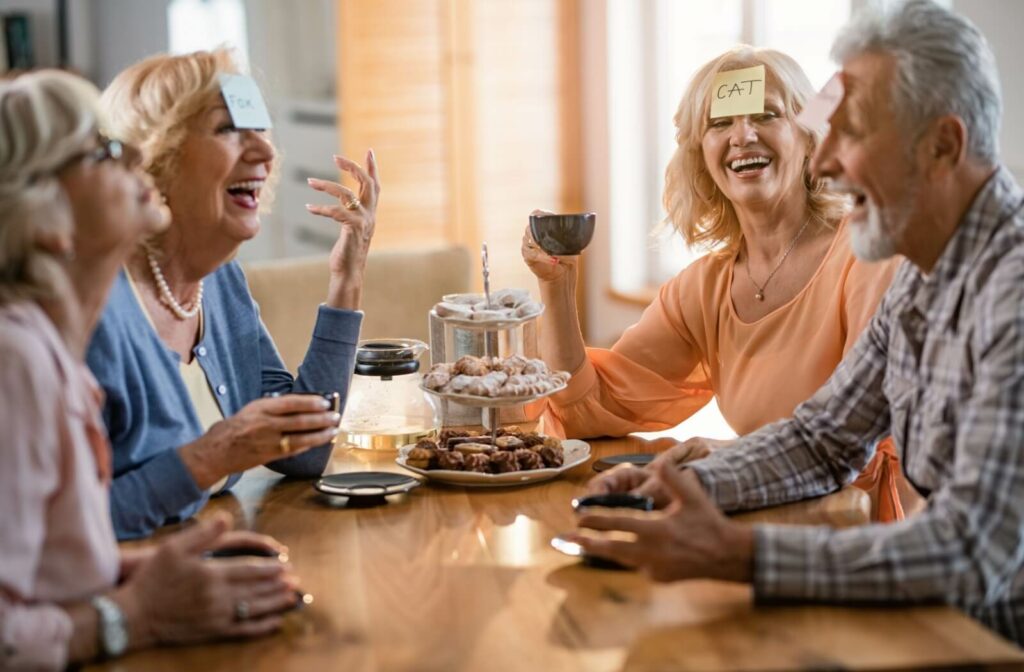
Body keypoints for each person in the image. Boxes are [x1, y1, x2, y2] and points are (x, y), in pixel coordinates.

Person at [574, 0, 1024, 642]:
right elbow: (824, 441)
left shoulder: (1012, 292)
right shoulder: (925, 274)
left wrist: (738, 555)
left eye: (852, 133)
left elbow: (970, 551)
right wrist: (675, 485)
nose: (824, 160)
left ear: (941, 147)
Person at [0, 70, 302, 671]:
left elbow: (40, 564)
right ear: (46, 220)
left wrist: (132, 570)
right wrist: (137, 614)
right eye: (102, 151)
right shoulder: (16, 362)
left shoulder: (49, 352)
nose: (137, 155)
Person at [523, 47, 907, 520]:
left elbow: (859, 443)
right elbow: (586, 411)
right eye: (720, 123)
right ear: (702, 156)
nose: (743, 136)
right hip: (762, 520)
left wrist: (729, 455)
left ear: (809, 138)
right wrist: (557, 286)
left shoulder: (870, 254)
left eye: (766, 114)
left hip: (859, 532)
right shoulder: (704, 287)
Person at [86, 49, 380, 539]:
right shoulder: (92, 309)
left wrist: (347, 275)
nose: (265, 152)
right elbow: (69, 527)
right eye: (227, 129)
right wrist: (213, 455)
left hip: (220, 561)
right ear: (155, 156)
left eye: (260, 129)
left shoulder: (221, 282)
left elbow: (303, 450)